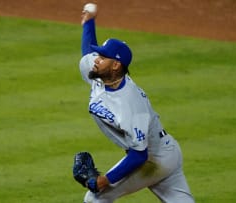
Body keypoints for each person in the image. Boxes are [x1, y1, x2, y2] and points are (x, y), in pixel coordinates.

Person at [77, 4, 195, 203]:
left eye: (103, 57)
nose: (96, 60)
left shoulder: (130, 105)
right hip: (168, 150)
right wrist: (89, 22)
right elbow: (88, 51)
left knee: (95, 199)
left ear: (116, 65)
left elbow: (139, 155)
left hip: (154, 160)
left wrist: (105, 180)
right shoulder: (100, 75)